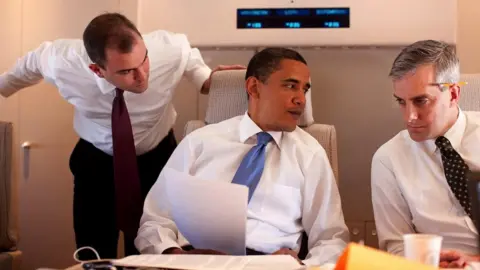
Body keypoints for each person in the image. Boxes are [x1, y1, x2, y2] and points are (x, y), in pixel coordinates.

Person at [0, 12, 244, 259]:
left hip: (157, 159)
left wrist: (214, 80)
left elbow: (200, 76)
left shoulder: (170, 48)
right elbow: (23, 71)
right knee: (94, 251)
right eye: (127, 71)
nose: (142, 76)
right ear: (97, 69)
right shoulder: (61, 60)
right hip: (96, 161)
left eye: (144, 61)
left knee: (154, 251)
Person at [135, 47, 349, 266]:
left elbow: (331, 239)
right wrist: (174, 255)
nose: (301, 100)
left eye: (304, 89)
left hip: (267, 264)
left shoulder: (310, 153)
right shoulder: (198, 143)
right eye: (290, 86)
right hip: (196, 261)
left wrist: (299, 266)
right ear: (254, 87)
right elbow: (155, 221)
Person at [371, 39, 480, 261]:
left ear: (453, 95)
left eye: (421, 101)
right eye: (401, 102)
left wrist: (473, 261)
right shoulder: (389, 159)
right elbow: (396, 247)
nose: (409, 116)